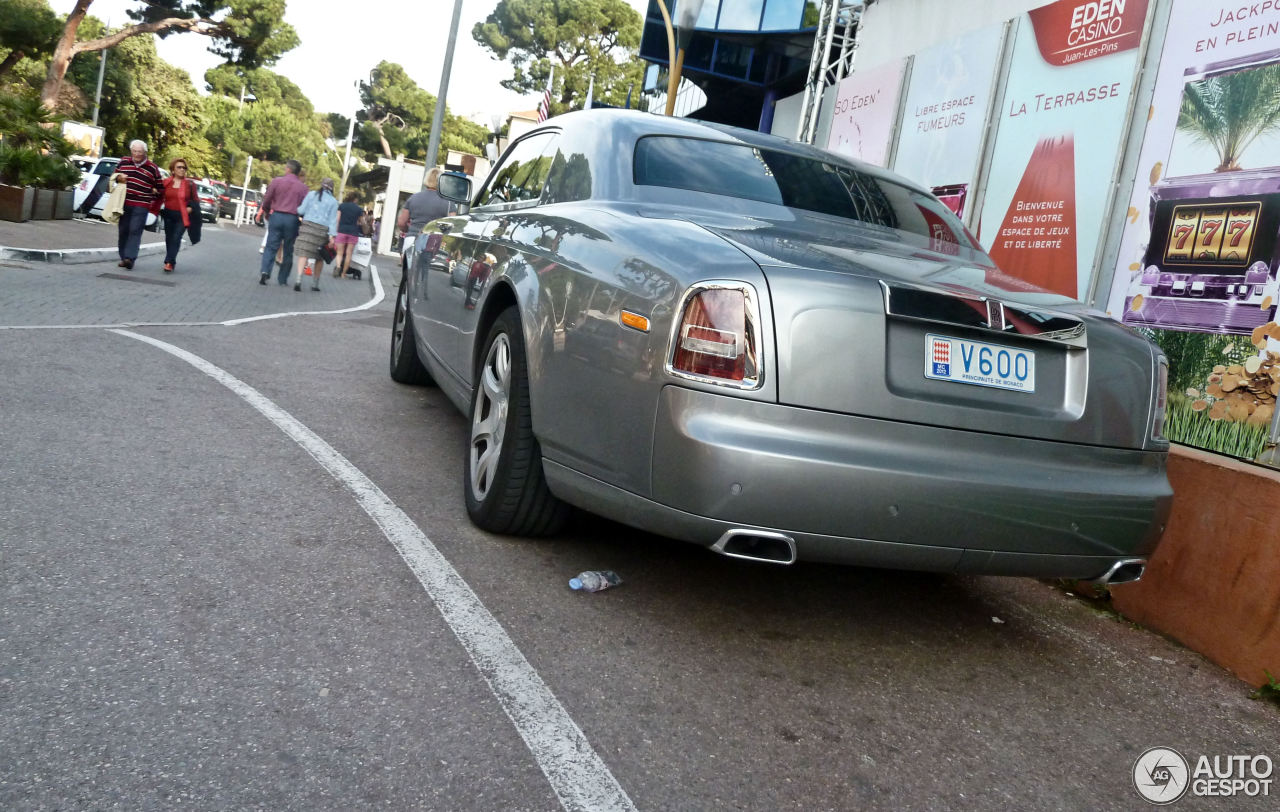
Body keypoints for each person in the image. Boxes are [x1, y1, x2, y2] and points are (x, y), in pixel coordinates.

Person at [257, 159, 309, 286]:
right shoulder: (303, 188)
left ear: (288, 169)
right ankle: (283, 278)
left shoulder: (276, 181)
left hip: (277, 215)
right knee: (288, 249)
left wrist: (267, 211)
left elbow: (267, 198)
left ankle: (265, 271)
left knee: (271, 246)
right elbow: (305, 206)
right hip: (292, 219)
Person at [113, 139, 163, 270]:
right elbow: (113, 177)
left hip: (141, 204)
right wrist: (119, 178)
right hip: (124, 202)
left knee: (135, 230)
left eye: (139, 152)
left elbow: (160, 187)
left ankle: (130, 258)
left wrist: (154, 194)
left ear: (145, 152)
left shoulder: (152, 168)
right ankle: (124, 257)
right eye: (134, 151)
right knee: (123, 230)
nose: (137, 154)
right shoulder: (124, 162)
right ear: (131, 151)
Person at [292, 177, 338, 291]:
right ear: (332, 189)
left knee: (304, 253)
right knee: (319, 257)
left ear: (321, 185)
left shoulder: (311, 194)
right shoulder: (334, 201)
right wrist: (332, 237)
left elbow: (301, 210)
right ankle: (315, 284)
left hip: (307, 227)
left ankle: (298, 280)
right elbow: (333, 221)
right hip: (322, 231)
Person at [159, 157, 201, 273]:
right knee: (169, 238)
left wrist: (191, 208)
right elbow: (159, 195)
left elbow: (196, 200)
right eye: (179, 167)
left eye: (184, 168)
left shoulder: (190, 184)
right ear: (173, 170)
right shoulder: (166, 182)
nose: (182, 169)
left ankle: (169, 262)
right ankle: (171, 260)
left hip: (183, 215)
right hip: (168, 213)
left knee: (176, 237)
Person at [396, 167, 451, 243]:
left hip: (411, 239)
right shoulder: (448, 202)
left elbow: (401, 223)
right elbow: (451, 225)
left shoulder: (413, 198)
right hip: (433, 242)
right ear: (441, 182)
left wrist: (410, 230)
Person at [332, 192, 364, 278]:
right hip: (353, 232)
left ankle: (338, 267)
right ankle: (343, 274)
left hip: (342, 231)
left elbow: (337, 219)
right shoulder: (359, 209)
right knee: (349, 254)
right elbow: (362, 222)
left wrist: (335, 232)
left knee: (339, 253)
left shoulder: (342, 206)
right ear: (355, 199)